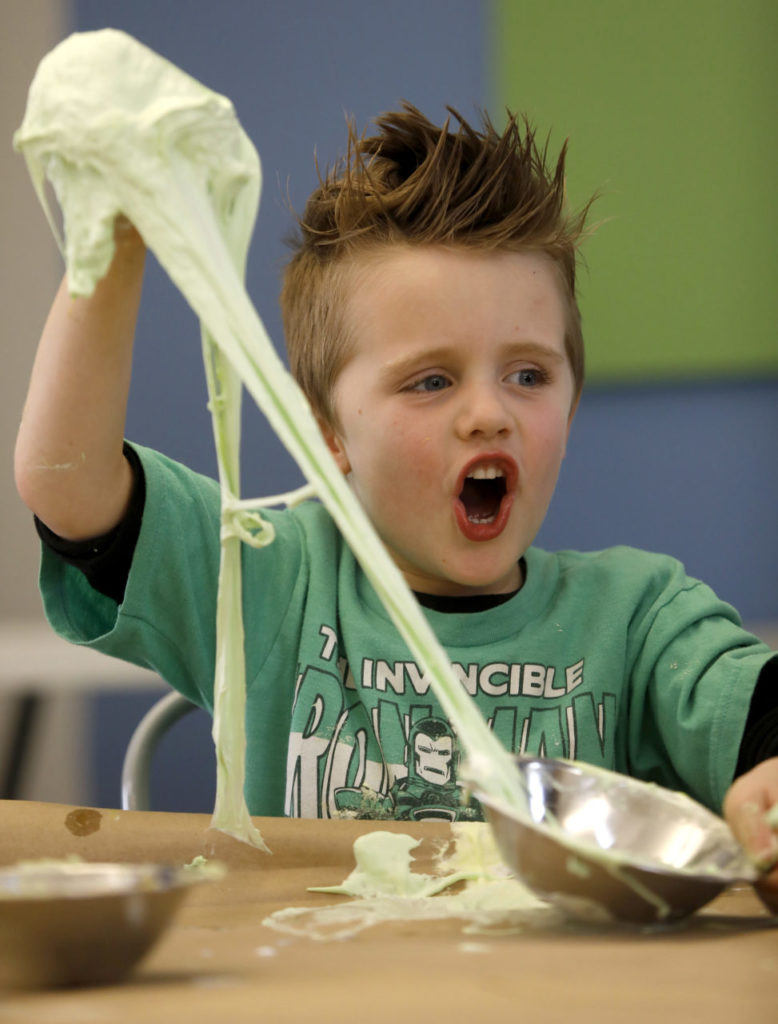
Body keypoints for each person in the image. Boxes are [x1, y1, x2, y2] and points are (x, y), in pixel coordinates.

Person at [14, 104, 778, 905]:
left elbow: (756, 711)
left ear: (572, 403)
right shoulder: (271, 583)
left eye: (528, 375)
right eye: (431, 381)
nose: (490, 412)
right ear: (329, 433)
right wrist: (115, 244)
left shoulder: (639, 620)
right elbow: (66, 482)